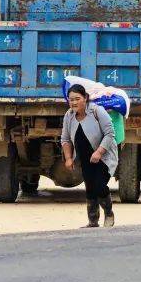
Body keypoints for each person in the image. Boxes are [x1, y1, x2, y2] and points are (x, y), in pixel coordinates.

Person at [61, 84, 119, 228]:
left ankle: (109, 213)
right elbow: (65, 139)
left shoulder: (97, 111)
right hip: (85, 159)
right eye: (71, 99)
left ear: (85, 98)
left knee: (99, 185)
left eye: (77, 99)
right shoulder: (69, 116)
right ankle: (93, 221)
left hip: (104, 157)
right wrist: (68, 158)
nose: (74, 102)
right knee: (90, 187)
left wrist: (99, 152)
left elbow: (110, 133)